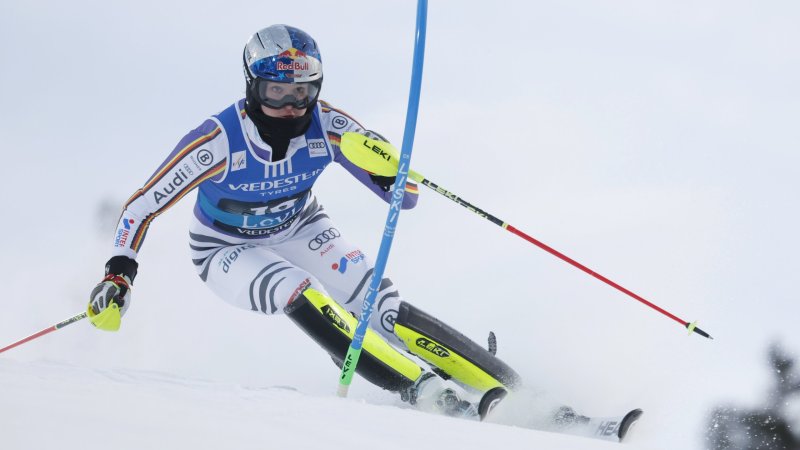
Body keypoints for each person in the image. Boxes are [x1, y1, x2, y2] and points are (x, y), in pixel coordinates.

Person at [87, 24, 521, 419]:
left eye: (302, 93)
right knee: (296, 288)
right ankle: (427, 392)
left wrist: (388, 168)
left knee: (378, 304)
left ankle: (514, 389)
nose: (292, 106)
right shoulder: (217, 141)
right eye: (276, 93)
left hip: (301, 226)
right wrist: (119, 275)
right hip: (225, 247)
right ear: (253, 87)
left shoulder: (328, 125)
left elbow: (405, 198)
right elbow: (140, 207)